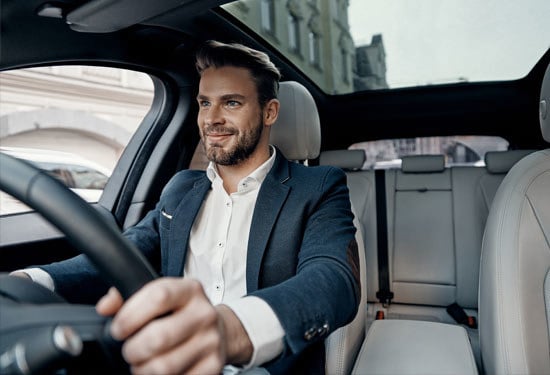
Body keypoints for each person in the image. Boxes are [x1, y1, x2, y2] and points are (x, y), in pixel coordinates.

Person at [13, 40, 360, 374]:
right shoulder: (181, 189)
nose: (212, 119)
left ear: (269, 112)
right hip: (165, 359)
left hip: (266, 367)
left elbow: (332, 280)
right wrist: (31, 281)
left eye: (232, 103)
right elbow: (123, 254)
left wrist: (229, 330)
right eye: (205, 103)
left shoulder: (318, 186)